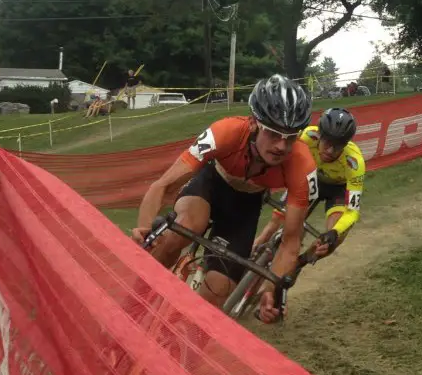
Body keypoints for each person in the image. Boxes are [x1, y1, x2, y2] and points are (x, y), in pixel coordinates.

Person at [131, 74, 318, 323]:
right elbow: (163, 186)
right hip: (211, 185)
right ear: (254, 123)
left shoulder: (302, 166)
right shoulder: (226, 132)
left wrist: (271, 289)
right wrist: (145, 229)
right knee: (182, 228)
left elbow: (290, 241)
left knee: (219, 290)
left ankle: (177, 348)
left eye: (291, 137)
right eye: (273, 134)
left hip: (244, 207)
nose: (282, 147)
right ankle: (134, 303)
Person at [253, 107, 365, 261]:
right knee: (273, 224)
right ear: (319, 135)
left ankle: (300, 262)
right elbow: (278, 161)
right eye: (327, 143)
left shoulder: (355, 162)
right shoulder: (307, 136)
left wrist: (334, 233)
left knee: (334, 236)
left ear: (346, 144)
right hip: (312, 178)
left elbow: (352, 211)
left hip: (338, 189)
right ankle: (248, 258)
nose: (330, 151)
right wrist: (264, 185)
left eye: (338, 146)